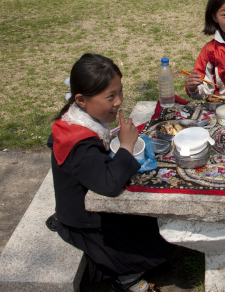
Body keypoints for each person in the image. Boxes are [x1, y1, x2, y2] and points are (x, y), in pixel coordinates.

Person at [47, 53, 174, 292]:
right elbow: (109, 185)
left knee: (158, 224)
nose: (118, 101)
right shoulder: (79, 142)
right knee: (160, 244)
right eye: (110, 96)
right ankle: (127, 278)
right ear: (81, 100)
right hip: (85, 223)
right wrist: (126, 145)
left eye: (120, 92)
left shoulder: (78, 122)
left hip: (93, 210)